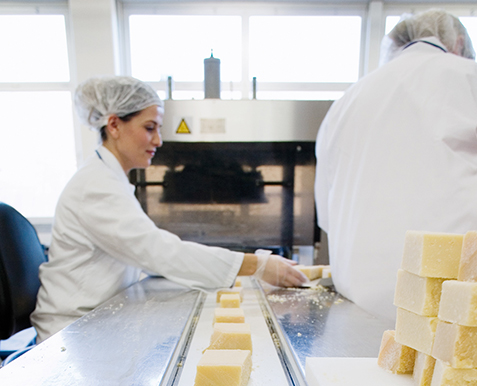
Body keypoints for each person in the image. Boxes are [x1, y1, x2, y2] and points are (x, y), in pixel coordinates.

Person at [31, 76, 307, 343]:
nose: (158, 141)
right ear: (114, 125)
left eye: (159, 129)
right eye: (149, 128)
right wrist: (256, 265)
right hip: (73, 333)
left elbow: (148, 251)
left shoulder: (109, 178)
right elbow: (157, 250)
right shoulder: (95, 185)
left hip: (96, 320)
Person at [314, 9, 477, 323]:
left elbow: (326, 213)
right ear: (458, 43)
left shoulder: (350, 97)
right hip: (443, 291)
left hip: (355, 296)